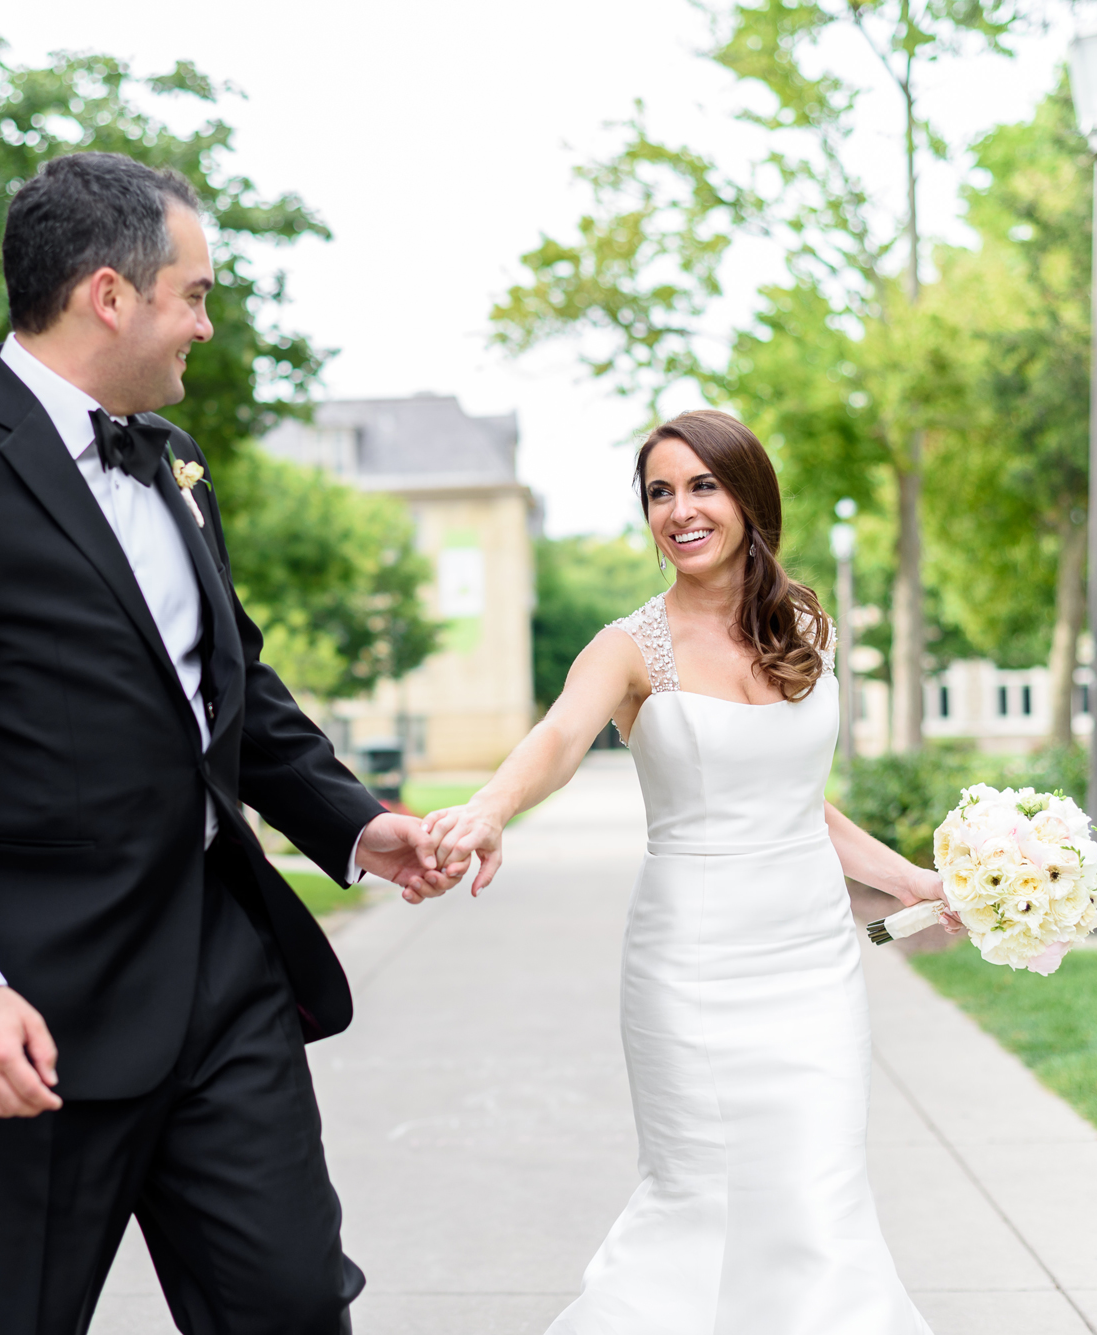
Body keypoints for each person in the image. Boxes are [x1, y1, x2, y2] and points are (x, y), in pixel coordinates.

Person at [0, 151, 453, 1335]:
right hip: (23, 1013)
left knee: (293, 1305)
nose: (206, 324)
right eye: (195, 294)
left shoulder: (176, 467)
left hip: (220, 975)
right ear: (111, 294)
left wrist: (360, 826)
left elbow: (229, 691)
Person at [417, 409, 955, 1334]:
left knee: (821, 1193)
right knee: (699, 1195)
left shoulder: (803, 629)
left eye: (701, 484)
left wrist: (910, 880)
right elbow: (556, 736)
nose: (680, 509)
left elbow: (797, 800)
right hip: (692, 965)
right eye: (660, 492)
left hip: (813, 964)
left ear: (749, 496)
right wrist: (489, 808)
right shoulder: (631, 646)